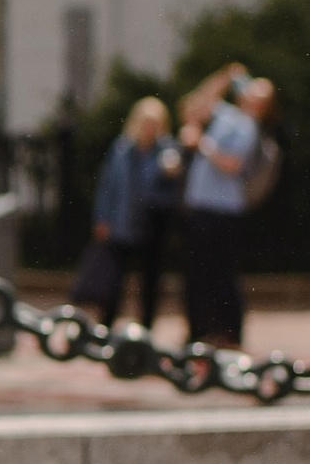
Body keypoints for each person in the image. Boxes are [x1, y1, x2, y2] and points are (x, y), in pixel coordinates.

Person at [178, 68, 275, 349]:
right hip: (201, 206)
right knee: (197, 273)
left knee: (221, 274)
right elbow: (196, 104)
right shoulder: (229, 116)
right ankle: (200, 332)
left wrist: (202, 144)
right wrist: (225, 76)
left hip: (223, 211)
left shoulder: (249, 126)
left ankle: (229, 333)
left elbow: (232, 164)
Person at [72, 94, 172, 327]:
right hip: (122, 222)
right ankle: (107, 324)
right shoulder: (122, 149)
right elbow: (108, 187)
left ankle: (146, 328)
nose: (149, 128)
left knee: (150, 281)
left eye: (155, 124)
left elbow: (171, 193)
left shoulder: (167, 152)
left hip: (151, 225)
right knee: (114, 279)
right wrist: (102, 218)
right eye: (146, 122)